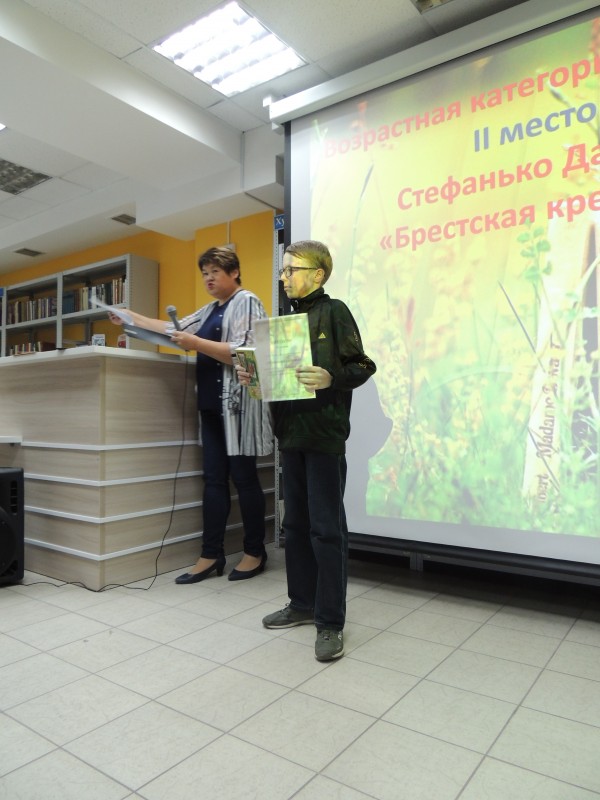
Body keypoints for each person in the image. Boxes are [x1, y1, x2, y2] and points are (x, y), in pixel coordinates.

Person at [239, 240, 376, 661]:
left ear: (317, 274)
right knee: (295, 526)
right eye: (282, 271)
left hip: (324, 437)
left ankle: (330, 622)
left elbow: (362, 365)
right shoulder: (284, 322)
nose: (283, 277)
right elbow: (278, 382)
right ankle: (301, 604)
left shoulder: (335, 312)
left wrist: (331, 377)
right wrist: (255, 377)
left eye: (290, 270)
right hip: (291, 436)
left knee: (326, 529)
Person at [109, 246, 273, 584]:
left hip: (238, 405)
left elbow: (245, 352)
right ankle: (211, 554)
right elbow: (176, 328)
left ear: (234, 272)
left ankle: (255, 552)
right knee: (213, 481)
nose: (208, 279)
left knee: (244, 479)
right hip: (211, 405)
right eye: (204, 273)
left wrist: (195, 343)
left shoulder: (247, 301)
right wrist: (130, 317)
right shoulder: (210, 309)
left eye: (215, 272)